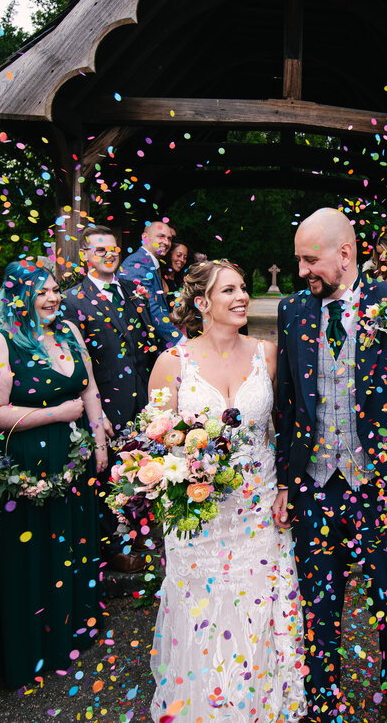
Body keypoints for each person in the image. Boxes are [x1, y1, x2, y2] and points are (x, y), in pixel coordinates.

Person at [273, 208, 387, 723]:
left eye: (309, 259)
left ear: (345, 254)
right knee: (319, 601)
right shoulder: (293, 311)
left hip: (386, 487)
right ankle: (322, 695)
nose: (301, 271)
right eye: (298, 260)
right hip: (316, 486)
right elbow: (287, 403)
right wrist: (284, 479)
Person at [146, 259, 305, 722]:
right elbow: (152, 441)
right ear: (202, 303)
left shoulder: (266, 353)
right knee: (202, 610)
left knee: (259, 605)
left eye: (242, 289)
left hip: (259, 505)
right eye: (228, 291)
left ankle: (261, 707)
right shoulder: (172, 363)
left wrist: (285, 488)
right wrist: (182, 478)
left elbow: (282, 428)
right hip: (202, 512)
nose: (241, 298)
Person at [0, 260, 106, 687]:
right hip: (25, 465)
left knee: (72, 541)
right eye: (42, 292)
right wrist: (56, 413)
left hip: (74, 460)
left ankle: (72, 632)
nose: (53, 298)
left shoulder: (68, 331)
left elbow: (88, 387)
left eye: (55, 290)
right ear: (18, 295)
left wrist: (99, 439)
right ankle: (32, 647)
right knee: (31, 553)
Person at [63, 225, 165, 572]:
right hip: (105, 401)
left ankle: (139, 535)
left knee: (142, 470)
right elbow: (77, 362)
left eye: (114, 250)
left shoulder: (134, 292)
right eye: (101, 250)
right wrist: (96, 413)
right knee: (107, 477)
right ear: (86, 257)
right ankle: (112, 548)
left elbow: (150, 344)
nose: (109, 255)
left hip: (141, 397)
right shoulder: (72, 301)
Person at [120, 221, 182, 347]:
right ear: (145, 237)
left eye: (169, 238)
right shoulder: (136, 263)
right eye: (161, 236)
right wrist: (180, 341)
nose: (166, 242)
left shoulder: (149, 263)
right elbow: (150, 308)